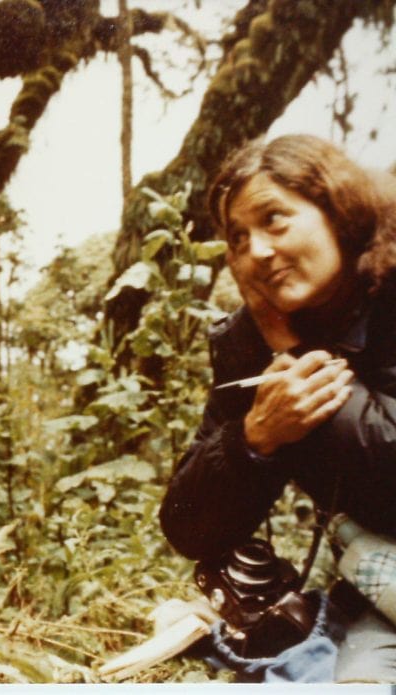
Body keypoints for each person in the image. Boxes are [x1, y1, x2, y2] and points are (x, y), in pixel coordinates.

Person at [159, 134, 396, 682]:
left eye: (275, 220)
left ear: (339, 210)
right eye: (237, 239)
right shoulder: (248, 341)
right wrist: (253, 442)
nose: (256, 252)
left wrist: (294, 355)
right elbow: (187, 527)